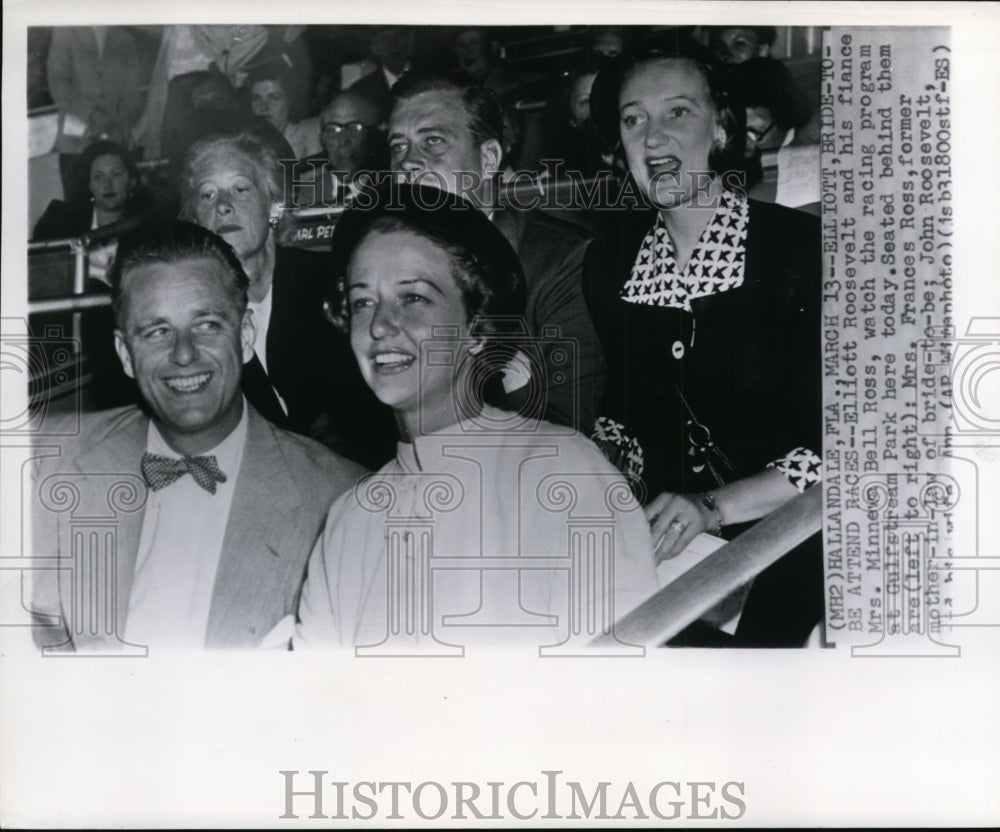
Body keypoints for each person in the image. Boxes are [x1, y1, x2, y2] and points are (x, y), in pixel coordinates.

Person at [295, 184, 657, 649]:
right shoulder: (351, 519)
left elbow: (619, 687)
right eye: (363, 301)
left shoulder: (566, 473)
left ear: (478, 327)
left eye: (414, 298)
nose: (380, 325)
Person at [30, 221, 365, 651]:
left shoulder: (341, 503)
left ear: (245, 336)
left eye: (206, 325)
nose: (184, 354)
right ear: (124, 355)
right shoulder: (41, 462)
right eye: (157, 331)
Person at [586, 41, 823, 646]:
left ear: (720, 128)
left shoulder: (803, 251)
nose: (653, 137)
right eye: (634, 119)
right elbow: (621, 415)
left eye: (678, 113)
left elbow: (845, 445)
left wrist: (713, 507)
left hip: (793, 535)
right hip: (668, 547)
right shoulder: (610, 266)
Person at [387, 73, 606, 434]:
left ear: (488, 159)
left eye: (434, 141)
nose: (408, 162)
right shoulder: (388, 271)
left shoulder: (562, 261)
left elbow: (567, 431)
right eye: (398, 146)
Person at [180, 132, 396, 467]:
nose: (222, 204)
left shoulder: (329, 280)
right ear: (196, 221)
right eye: (207, 195)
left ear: (275, 207)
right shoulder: (197, 317)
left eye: (240, 189)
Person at [46, 26, 145, 205]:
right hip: (76, 137)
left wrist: (119, 123)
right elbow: (59, 81)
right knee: (77, 205)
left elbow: (132, 94)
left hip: (115, 134)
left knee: (120, 206)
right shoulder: (65, 32)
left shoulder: (125, 38)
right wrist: (89, 118)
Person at [293, 90, 386, 208]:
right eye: (332, 129)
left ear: (375, 135)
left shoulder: (392, 196)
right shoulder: (300, 200)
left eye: (354, 128)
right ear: (322, 140)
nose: (343, 140)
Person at [248, 63, 321, 160]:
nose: (263, 106)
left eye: (274, 98)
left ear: (291, 101)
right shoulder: (245, 143)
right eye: (256, 98)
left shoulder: (314, 133)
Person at [349, 26, 416, 121]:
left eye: (398, 36)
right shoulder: (360, 91)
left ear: (409, 41)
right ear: (375, 48)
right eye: (385, 39)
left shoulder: (429, 81)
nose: (393, 45)